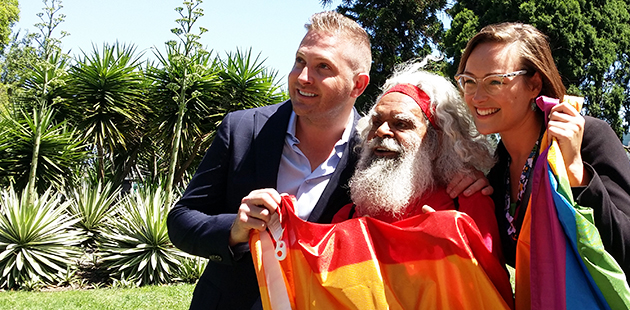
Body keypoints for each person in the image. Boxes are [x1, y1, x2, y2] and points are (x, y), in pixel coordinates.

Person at [167, 11, 371, 309]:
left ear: (358, 85)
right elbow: (181, 221)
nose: (302, 77)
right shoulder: (241, 129)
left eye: (322, 67)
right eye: (300, 61)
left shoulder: (371, 154)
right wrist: (235, 229)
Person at [455, 22, 630, 276]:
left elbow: (625, 250)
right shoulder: (495, 170)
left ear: (534, 85)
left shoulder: (586, 138)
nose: (477, 96)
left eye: (494, 82)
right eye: (469, 81)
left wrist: (576, 175)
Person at [333, 62, 502, 257]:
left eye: (401, 123)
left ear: (436, 142)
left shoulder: (467, 204)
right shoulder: (347, 215)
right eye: (376, 122)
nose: (380, 131)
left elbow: (490, 283)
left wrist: (450, 250)